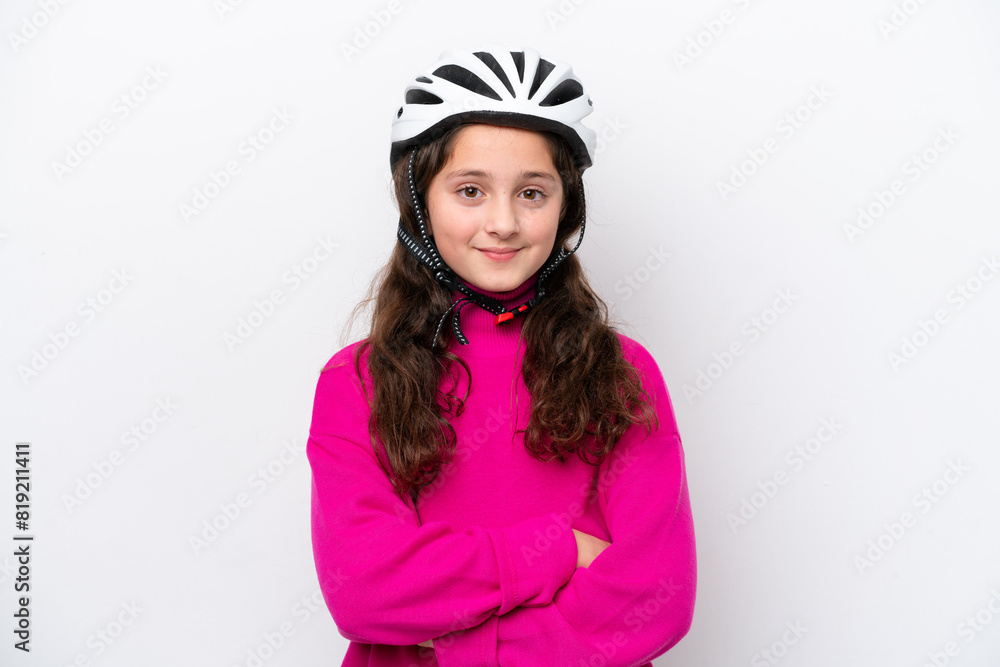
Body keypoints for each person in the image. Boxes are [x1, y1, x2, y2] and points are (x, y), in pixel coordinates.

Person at [307, 45, 696, 666]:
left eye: (532, 193)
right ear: (420, 204)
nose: (503, 222)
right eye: (470, 190)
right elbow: (364, 591)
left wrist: (458, 637)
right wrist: (561, 548)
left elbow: (653, 598)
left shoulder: (623, 373)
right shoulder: (357, 381)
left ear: (566, 207)